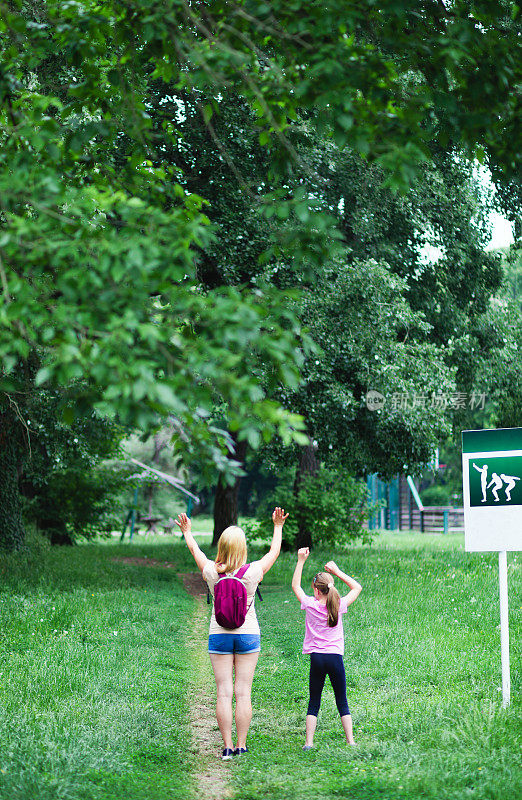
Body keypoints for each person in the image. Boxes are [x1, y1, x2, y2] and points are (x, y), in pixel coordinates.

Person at [175, 507, 288, 760]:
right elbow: (274, 552)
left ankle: (226, 748)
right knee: (243, 692)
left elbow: (196, 550)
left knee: (224, 692)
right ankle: (242, 745)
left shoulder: (211, 571)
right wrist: (277, 526)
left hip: (219, 635)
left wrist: (187, 532)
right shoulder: (253, 572)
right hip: (248, 635)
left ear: (222, 546)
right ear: (243, 548)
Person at [291, 547, 362, 750]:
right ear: (329, 588)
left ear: (315, 589)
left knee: (314, 700)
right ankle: (351, 741)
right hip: (335, 658)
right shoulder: (338, 604)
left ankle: (309, 743)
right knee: (342, 700)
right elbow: (357, 588)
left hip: (317, 659)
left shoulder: (310, 604)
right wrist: (337, 572)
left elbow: (295, 586)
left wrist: (301, 561)